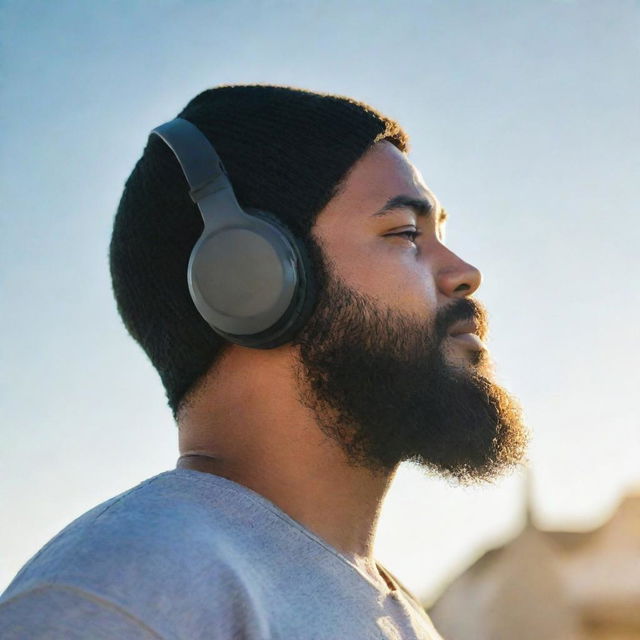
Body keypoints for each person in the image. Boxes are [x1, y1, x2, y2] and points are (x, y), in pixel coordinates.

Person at [0, 85, 527, 639]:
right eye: (404, 233)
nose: (465, 272)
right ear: (247, 277)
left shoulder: (396, 611)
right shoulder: (126, 595)